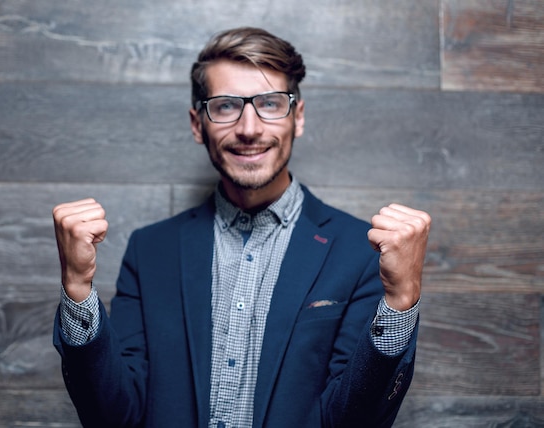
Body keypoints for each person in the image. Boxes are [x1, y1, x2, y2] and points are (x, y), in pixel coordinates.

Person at [52, 27, 431, 428]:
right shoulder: (150, 251)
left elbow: (354, 420)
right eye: (226, 106)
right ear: (198, 124)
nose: (249, 128)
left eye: (270, 103)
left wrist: (401, 302)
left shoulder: (360, 252)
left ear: (297, 117)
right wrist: (77, 288)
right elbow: (114, 416)